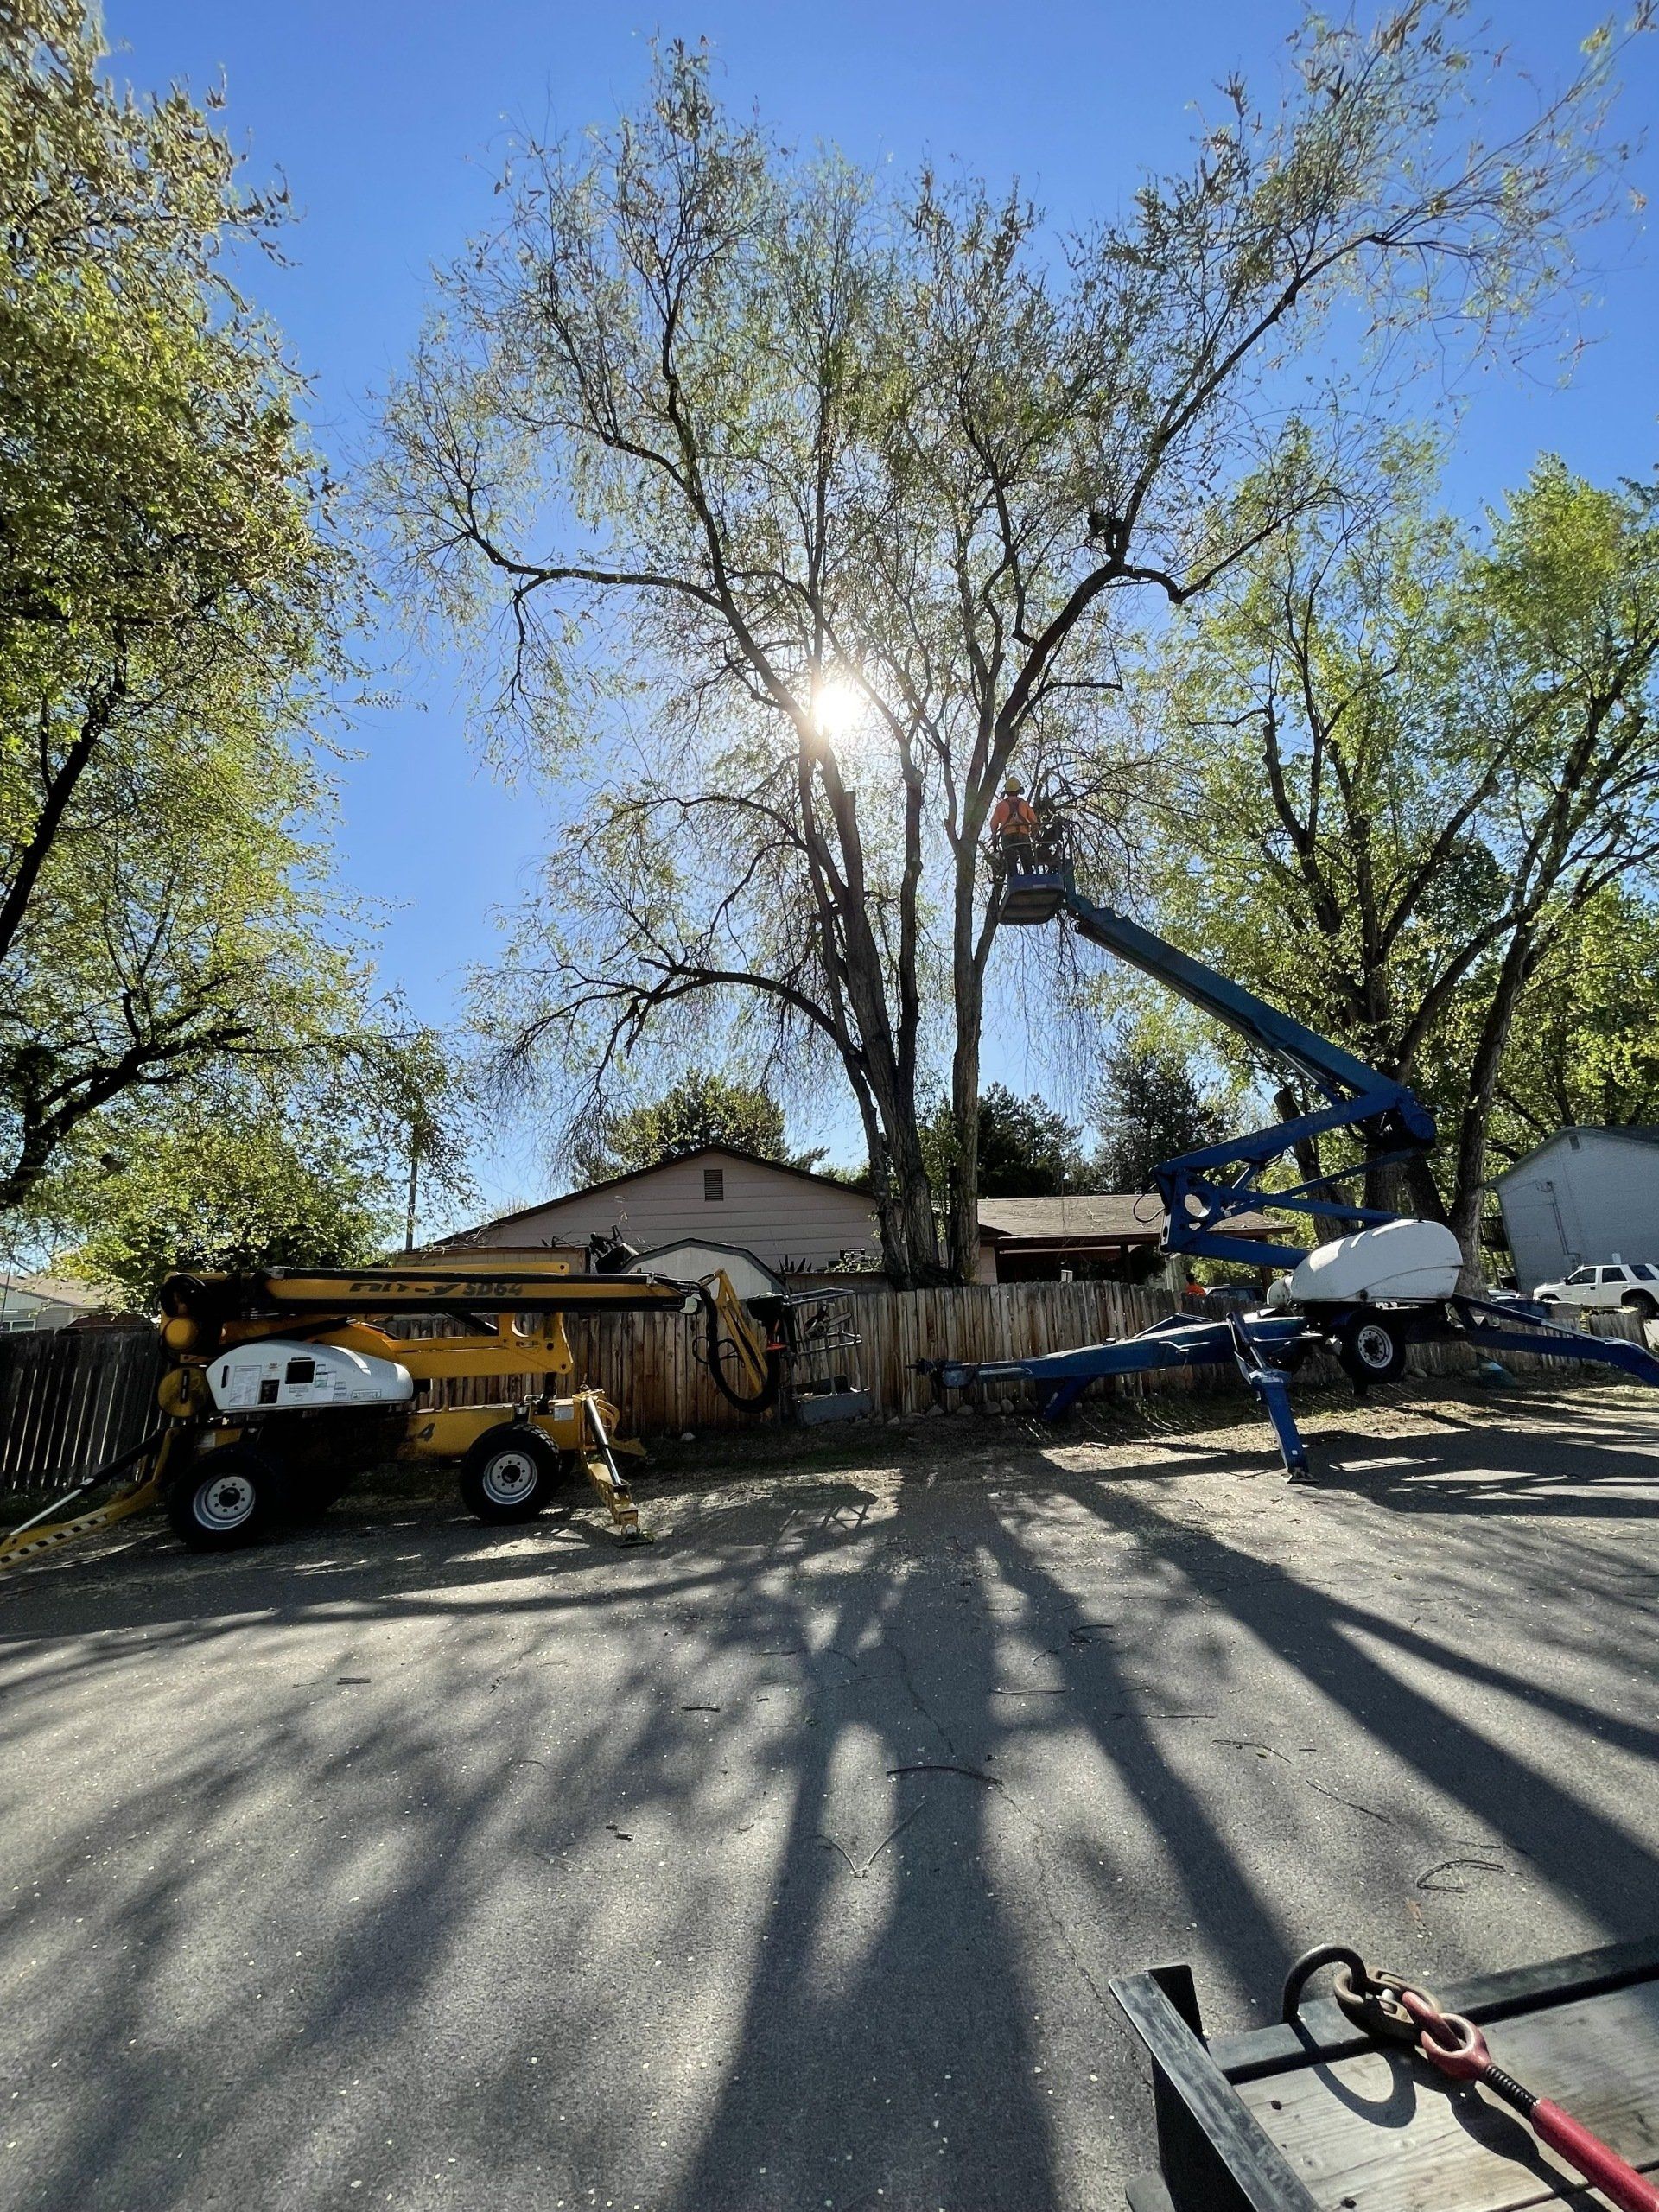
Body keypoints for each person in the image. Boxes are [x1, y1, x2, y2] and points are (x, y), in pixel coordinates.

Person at [989, 775, 1039, 872]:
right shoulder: (1024, 804)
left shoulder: (1001, 806)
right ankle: (1029, 878)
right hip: (1023, 836)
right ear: (1018, 791)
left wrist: (994, 835)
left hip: (1008, 837)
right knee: (1027, 862)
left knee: (1011, 863)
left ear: (1007, 791)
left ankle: (1014, 880)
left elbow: (993, 824)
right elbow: (1034, 821)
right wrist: (1035, 832)